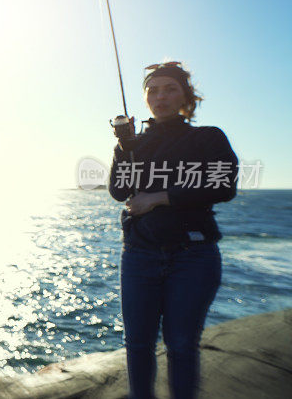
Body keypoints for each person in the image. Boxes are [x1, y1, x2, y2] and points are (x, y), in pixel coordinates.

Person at [108, 61, 238, 399]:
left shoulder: (207, 137)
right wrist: (124, 147)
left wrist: (158, 198)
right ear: (145, 98)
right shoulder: (134, 144)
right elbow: (119, 192)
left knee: (180, 343)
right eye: (153, 90)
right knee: (137, 344)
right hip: (138, 255)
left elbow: (223, 186)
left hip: (192, 256)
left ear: (186, 97)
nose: (160, 96)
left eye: (170, 89)